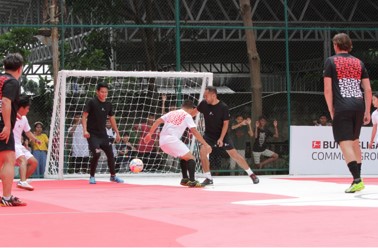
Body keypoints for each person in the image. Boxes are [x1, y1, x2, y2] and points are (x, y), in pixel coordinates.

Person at [324, 32, 372, 193]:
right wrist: (367, 110)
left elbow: (328, 89)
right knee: (355, 141)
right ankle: (358, 178)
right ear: (349, 46)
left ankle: (357, 180)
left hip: (343, 107)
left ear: (336, 45)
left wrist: (331, 109)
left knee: (345, 143)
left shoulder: (331, 61)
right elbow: (368, 89)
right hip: (359, 106)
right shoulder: (359, 63)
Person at [193, 86, 259, 186]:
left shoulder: (223, 107)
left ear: (213, 95)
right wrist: (180, 117)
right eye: (204, 96)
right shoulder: (203, 104)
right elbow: (192, 114)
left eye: (206, 96)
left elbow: (225, 124)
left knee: (234, 155)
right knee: (202, 152)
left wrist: (221, 138)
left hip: (222, 135)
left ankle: (251, 174)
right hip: (209, 135)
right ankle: (208, 178)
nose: (204, 98)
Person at [144, 100, 212, 187]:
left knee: (184, 157)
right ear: (192, 109)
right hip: (171, 140)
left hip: (162, 141)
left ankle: (184, 179)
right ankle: (192, 181)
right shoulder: (187, 116)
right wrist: (205, 144)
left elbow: (157, 121)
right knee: (191, 158)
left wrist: (150, 134)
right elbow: (194, 131)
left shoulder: (172, 113)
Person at [82, 82, 124, 184]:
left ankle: (113, 176)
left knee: (111, 154)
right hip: (92, 135)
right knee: (96, 154)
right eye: (102, 92)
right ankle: (92, 176)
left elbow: (112, 119)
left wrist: (117, 133)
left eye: (105, 92)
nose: (104, 94)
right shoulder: (91, 102)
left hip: (103, 135)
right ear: (97, 92)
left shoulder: (108, 104)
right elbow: (84, 117)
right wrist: (85, 130)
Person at [0, 53, 26, 206]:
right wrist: (7, 125)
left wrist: (12, 115)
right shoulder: (13, 82)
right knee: (9, 159)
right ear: (19, 68)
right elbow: (5, 102)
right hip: (2, 125)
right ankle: (7, 197)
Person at [13, 96, 40, 191]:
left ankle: (22, 181)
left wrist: (35, 139)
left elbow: (28, 132)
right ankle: (23, 182)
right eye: (27, 108)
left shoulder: (24, 118)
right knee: (22, 160)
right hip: (11, 144)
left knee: (34, 162)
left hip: (19, 145)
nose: (28, 111)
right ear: (21, 108)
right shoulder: (10, 115)